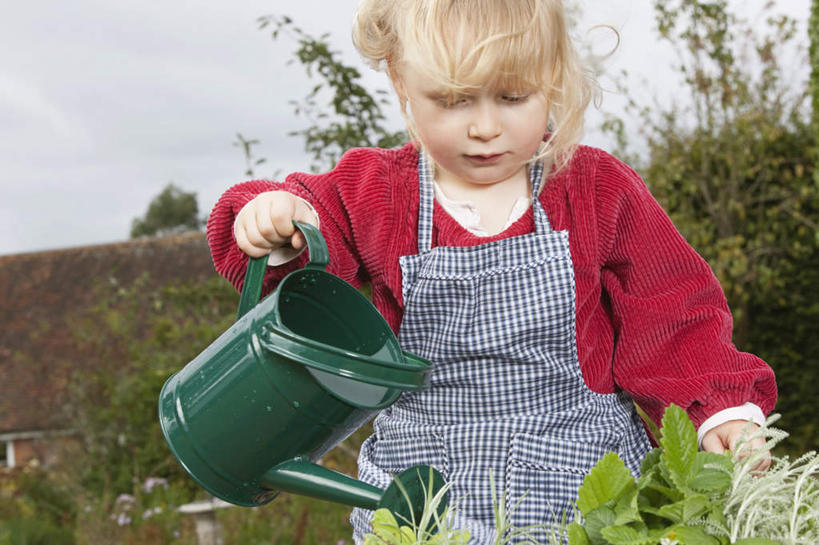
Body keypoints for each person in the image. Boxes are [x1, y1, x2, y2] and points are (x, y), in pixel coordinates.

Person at [206, 0, 777, 542]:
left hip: (585, 488)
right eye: (454, 100)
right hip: (425, 496)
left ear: (550, 79)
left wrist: (718, 407)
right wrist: (276, 221)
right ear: (403, 85)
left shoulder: (593, 188)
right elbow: (306, 256)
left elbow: (671, 309)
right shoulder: (377, 192)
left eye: (511, 97)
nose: (485, 127)